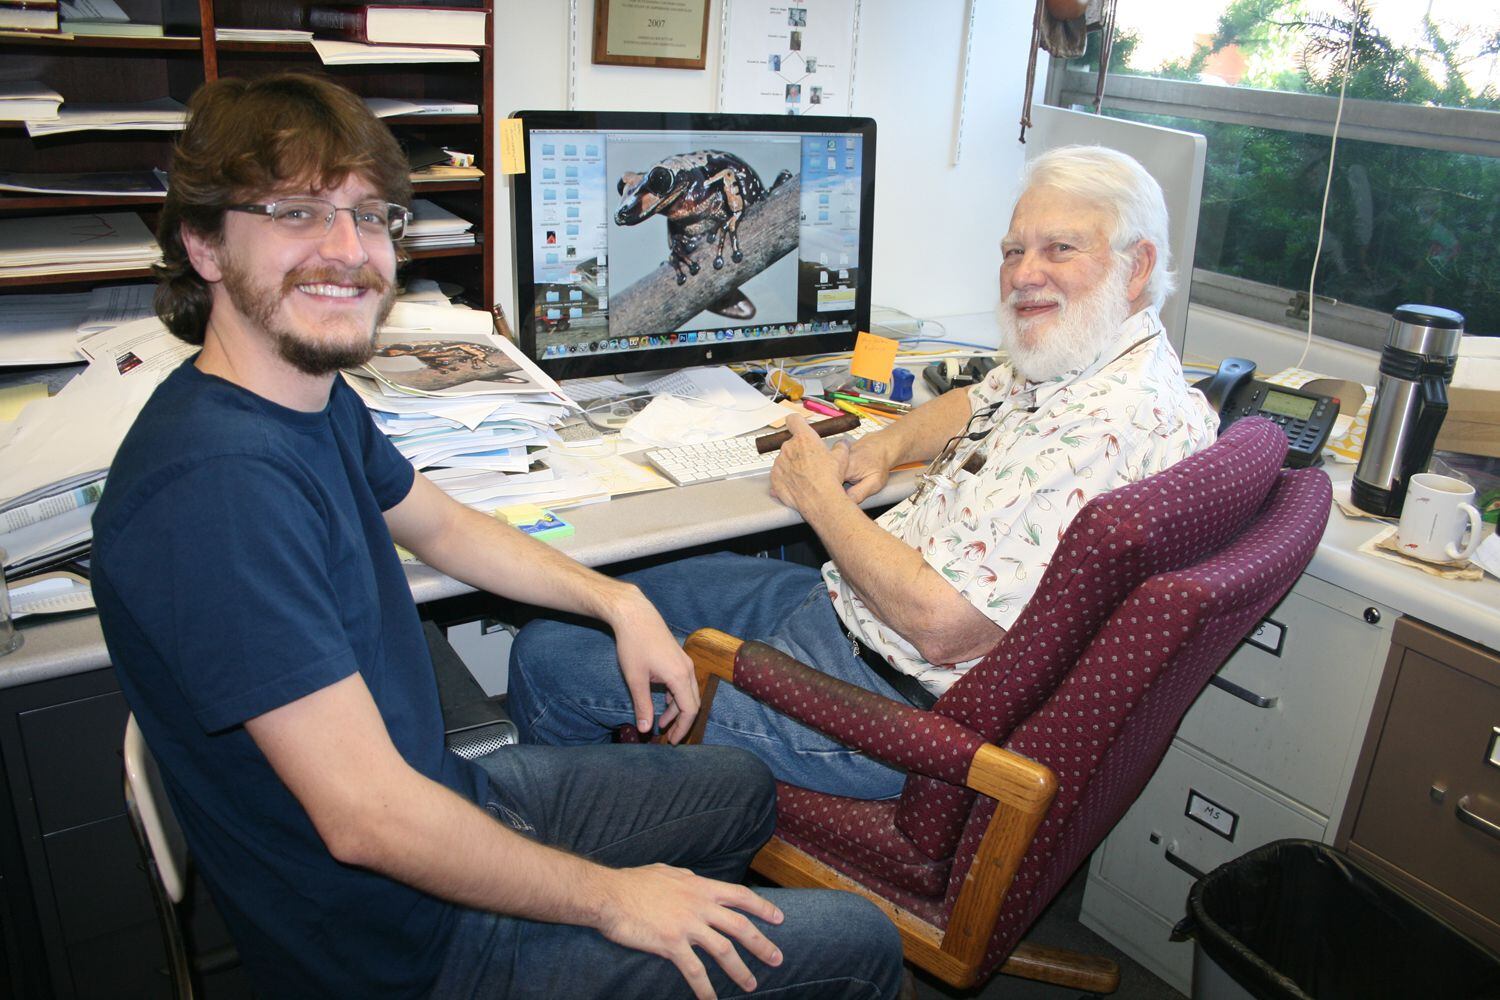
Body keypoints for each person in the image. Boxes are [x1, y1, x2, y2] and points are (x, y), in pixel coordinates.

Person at [91, 73, 903, 1000]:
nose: (350, 252)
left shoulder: (298, 396)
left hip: (445, 800)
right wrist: (611, 901)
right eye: (297, 213)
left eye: (372, 216)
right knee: (857, 943)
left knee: (736, 789)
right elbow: (368, 821)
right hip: (407, 948)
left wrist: (617, 598)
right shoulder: (216, 490)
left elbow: (441, 524)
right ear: (201, 242)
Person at [509, 145, 1219, 801]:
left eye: (1060, 249)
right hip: (850, 615)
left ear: (1138, 264)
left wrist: (820, 499)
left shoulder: (1102, 425)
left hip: (882, 705)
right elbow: (981, 395)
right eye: (1014, 251)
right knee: (602, 596)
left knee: (552, 653)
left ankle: (580, 866)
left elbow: (942, 629)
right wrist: (884, 449)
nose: (1025, 273)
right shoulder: (1104, 365)